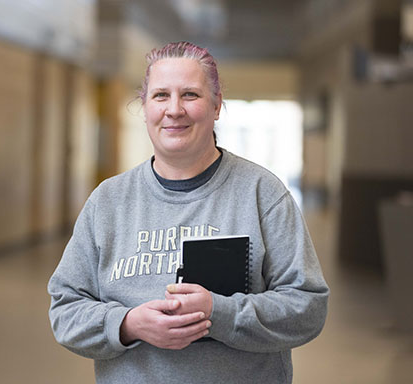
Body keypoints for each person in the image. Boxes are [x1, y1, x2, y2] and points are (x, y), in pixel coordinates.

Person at [48, 41, 329, 384]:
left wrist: (218, 312)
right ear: (145, 105)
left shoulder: (261, 193)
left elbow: (307, 308)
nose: (174, 109)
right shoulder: (108, 201)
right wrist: (127, 324)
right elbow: (65, 310)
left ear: (216, 106)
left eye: (191, 95)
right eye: (161, 95)